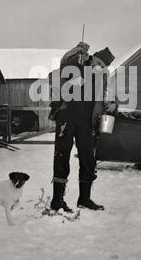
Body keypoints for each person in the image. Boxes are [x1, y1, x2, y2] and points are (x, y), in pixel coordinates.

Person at [48, 42, 117, 213]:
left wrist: (112, 104)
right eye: (99, 63)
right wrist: (77, 51)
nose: (100, 67)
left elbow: (106, 95)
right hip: (67, 116)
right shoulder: (77, 61)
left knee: (88, 158)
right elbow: (64, 63)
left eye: (104, 66)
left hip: (86, 121)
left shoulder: (101, 76)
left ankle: (84, 199)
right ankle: (57, 201)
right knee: (62, 156)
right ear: (94, 57)